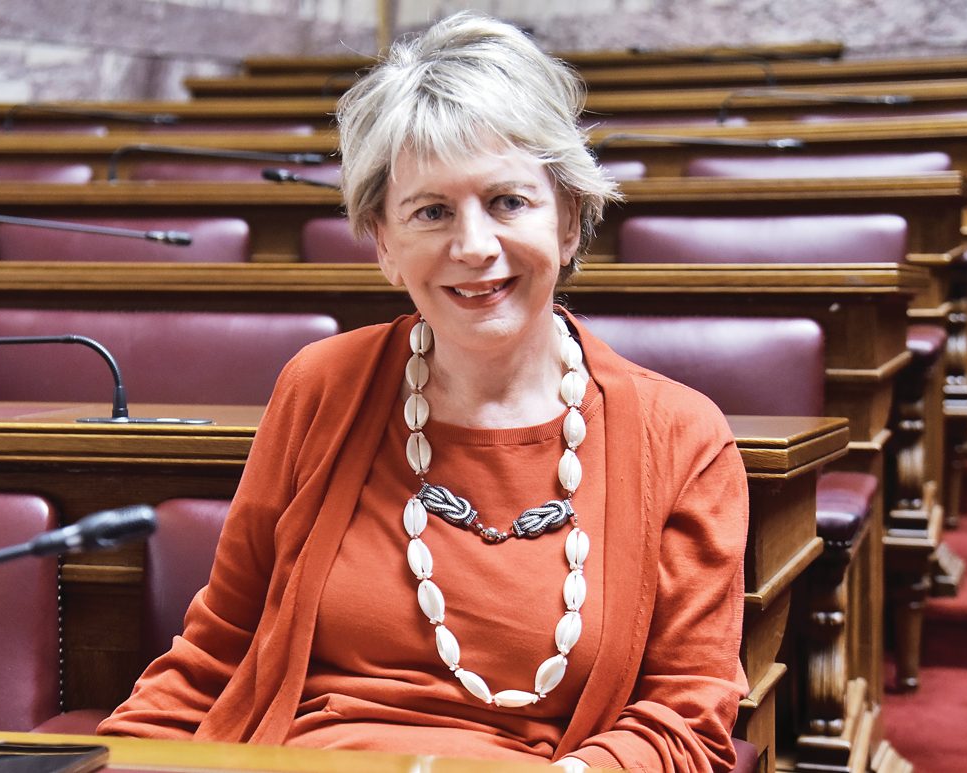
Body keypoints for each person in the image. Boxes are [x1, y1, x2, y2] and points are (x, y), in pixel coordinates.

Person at [99, 12, 748, 771]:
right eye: (431, 212)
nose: (473, 246)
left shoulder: (680, 436)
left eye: (508, 201)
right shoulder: (321, 386)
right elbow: (217, 652)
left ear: (569, 221)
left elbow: (683, 720)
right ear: (384, 243)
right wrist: (105, 761)